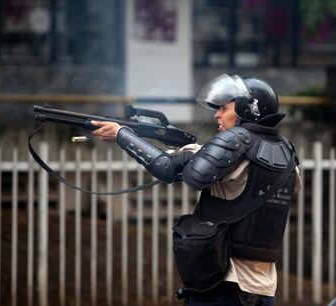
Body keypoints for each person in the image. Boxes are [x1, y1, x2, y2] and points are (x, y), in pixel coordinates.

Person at [91, 74, 300, 306]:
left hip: (225, 286)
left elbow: (167, 168)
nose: (217, 114)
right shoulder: (286, 154)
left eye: (223, 107)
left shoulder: (237, 142)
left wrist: (121, 134)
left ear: (247, 110)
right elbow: (234, 170)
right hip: (262, 289)